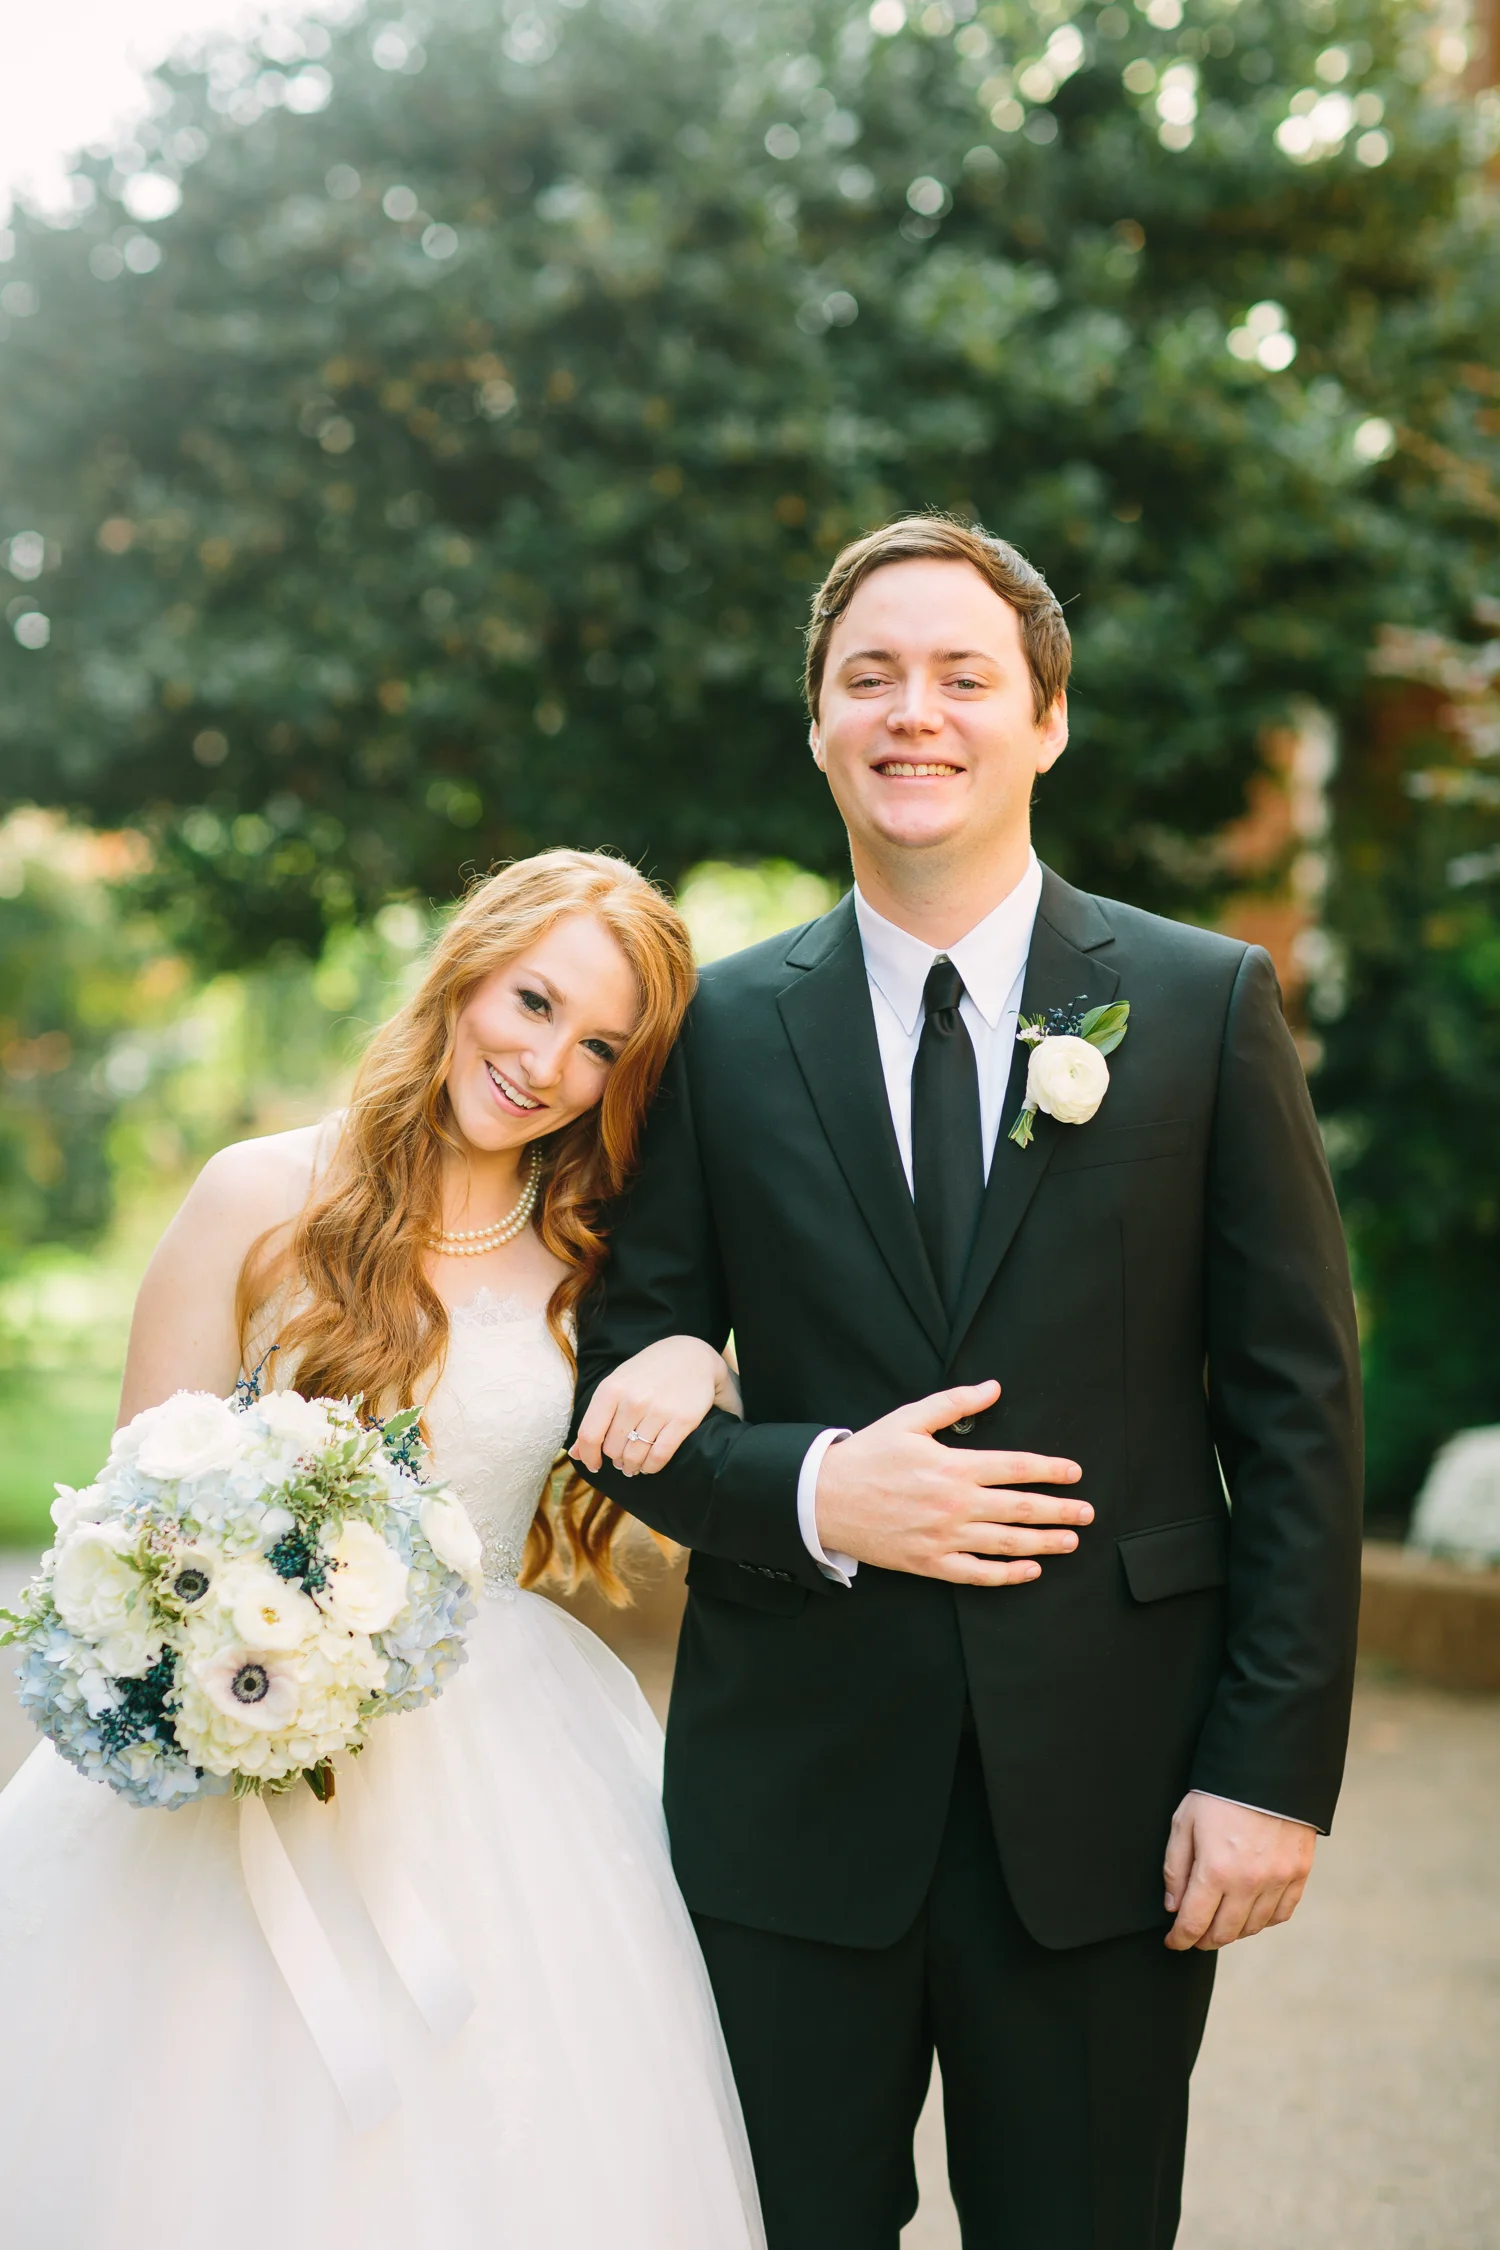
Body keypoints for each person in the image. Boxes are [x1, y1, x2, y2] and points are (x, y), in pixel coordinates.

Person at [571, 518, 1365, 2250]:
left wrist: (1273, 1769)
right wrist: (807, 1485)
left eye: (960, 676)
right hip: (790, 1800)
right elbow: (622, 1384)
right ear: (818, 726)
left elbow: (1296, 1413)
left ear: (1045, 720)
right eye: (870, 677)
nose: (911, 713)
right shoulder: (714, 1032)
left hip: (1112, 1797)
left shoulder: (1202, 1001)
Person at [0, 850, 767, 2250]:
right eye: (533, 1002)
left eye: (600, 1046)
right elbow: (133, 1509)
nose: (545, 1062)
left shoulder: (600, 1260)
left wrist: (681, 1354)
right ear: (468, 971)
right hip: (232, 1732)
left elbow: (713, 1396)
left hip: (506, 1762)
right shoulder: (254, 1195)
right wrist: (220, 1644)